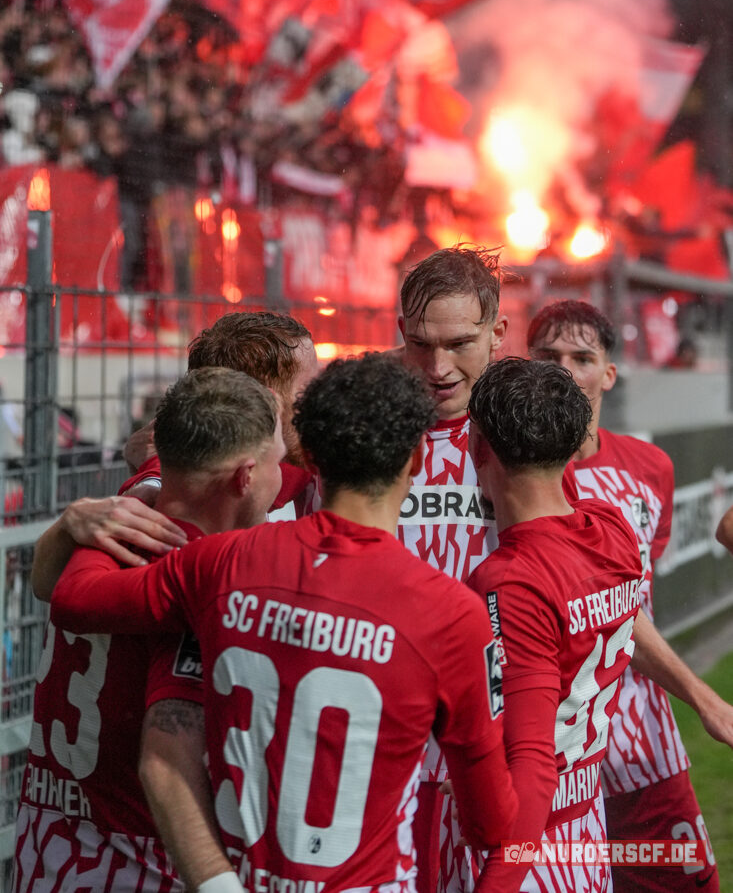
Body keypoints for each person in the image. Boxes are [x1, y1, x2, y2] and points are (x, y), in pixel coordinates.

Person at [49, 353, 519, 893]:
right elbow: (490, 825)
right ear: (415, 455)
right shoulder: (452, 615)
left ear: (311, 458)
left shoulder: (223, 563)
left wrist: (144, 487)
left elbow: (75, 599)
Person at [13, 368, 285, 893]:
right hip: (138, 855)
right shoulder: (200, 572)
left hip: (48, 839)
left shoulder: (117, 516)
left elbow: (48, 584)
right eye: (278, 460)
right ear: (246, 475)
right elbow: (166, 762)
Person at [527, 300, 730, 892]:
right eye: (549, 357)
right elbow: (603, 607)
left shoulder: (650, 467)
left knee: (681, 885)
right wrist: (707, 700)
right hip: (555, 745)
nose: (566, 370)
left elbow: (632, 605)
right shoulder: (513, 476)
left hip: (642, 736)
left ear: (608, 374)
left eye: (582, 357)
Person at [466, 357, 643, 892]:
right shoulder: (614, 528)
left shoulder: (511, 580)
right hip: (586, 829)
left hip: (529, 848)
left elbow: (533, 760)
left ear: (478, 449)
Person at [31, 310, 320, 601]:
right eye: (309, 391)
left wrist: (151, 470)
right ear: (264, 403)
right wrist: (68, 527)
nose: (319, 404)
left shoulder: (155, 487)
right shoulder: (154, 517)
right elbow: (59, 594)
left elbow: (63, 595)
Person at [395, 244, 506, 893]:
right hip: (390, 737)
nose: (436, 368)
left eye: (459, 343)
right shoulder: (357, 423)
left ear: (497, 332)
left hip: (491, 737)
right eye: (418, 344)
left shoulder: (528, 428)